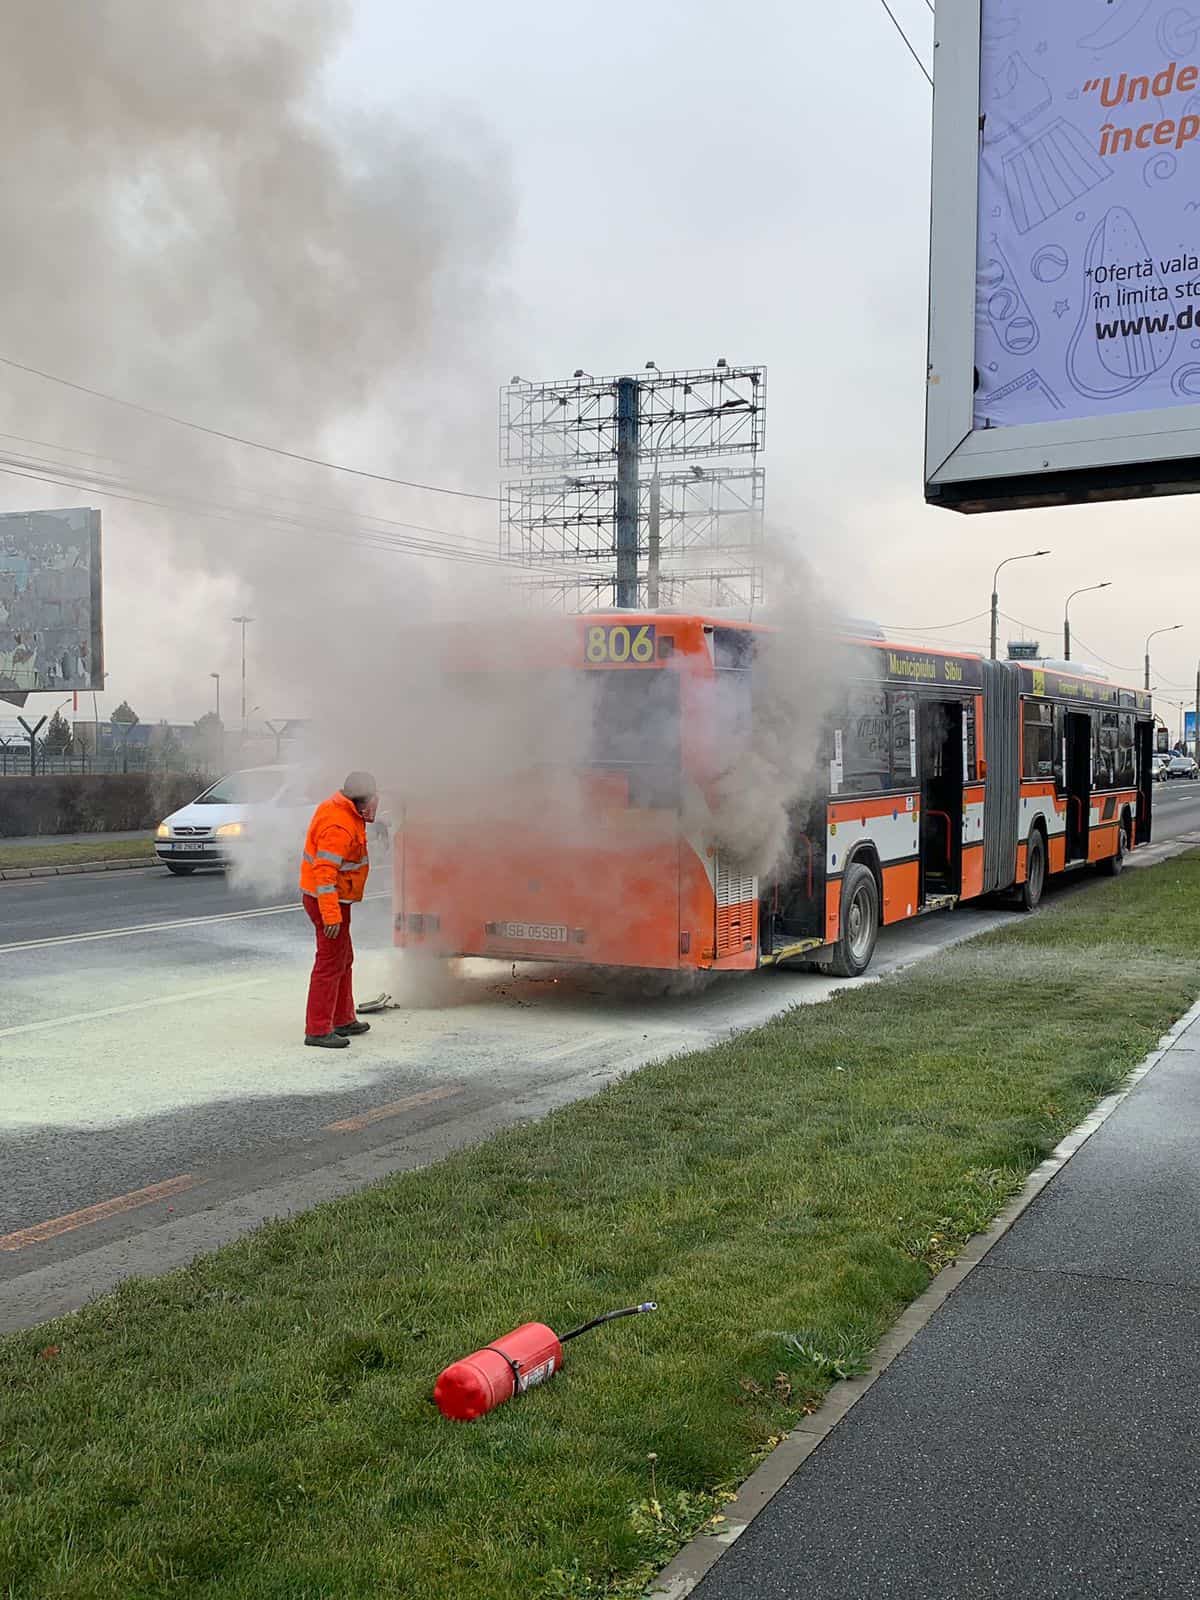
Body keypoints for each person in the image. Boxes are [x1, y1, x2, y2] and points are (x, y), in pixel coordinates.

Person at [299, 771, 378, 1048]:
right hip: (327, 900)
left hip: (334, 898)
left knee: (343, 957)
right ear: (360, 799)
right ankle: (319, 1029)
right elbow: (324, 873)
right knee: (330, 963)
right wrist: (331, 915)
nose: (374, 804)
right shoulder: (339, 826)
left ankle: (343, 1018)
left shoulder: (342, 809)